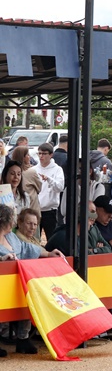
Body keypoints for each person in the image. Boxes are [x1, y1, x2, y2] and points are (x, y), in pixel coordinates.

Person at [0, 205, 66, 354]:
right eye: (11, 220)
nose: (14, 223)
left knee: (27, 300)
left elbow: (25, 248)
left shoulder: (11, 236)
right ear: (5, 221)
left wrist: (48, 254)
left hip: (17, 282)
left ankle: (23, 339)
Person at [33, 143, 65, 239]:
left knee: (51, 238)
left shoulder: (57, 169)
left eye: (44, 154)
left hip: (50, 211)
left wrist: (49, 179)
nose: (41, 156)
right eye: (39, 153)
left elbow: (60, 187)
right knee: (34, 239)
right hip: (35, 210)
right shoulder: (34, 169)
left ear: (51, 155)